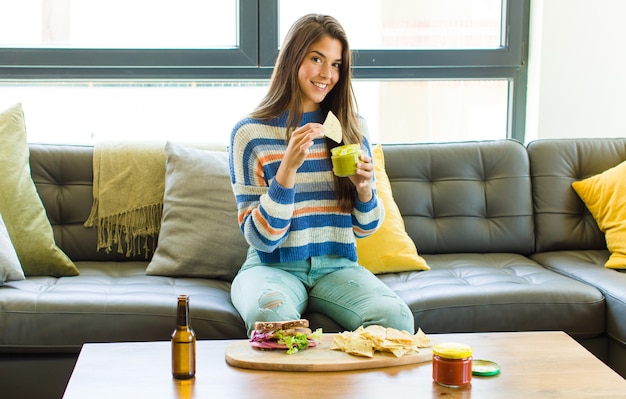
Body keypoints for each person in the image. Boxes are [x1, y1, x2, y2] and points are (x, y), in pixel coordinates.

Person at [228, 14, 414, 336]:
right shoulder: (250, 134)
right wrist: (286, 171)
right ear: (293, 58)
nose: (327, 74)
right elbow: (260, 238)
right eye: (317, 59)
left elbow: (365, 228)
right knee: (272, 322)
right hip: (272, 268)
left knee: (396, 318)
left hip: (338, 267)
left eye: (337, 64)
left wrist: (365, 190)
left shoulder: (351, 128)